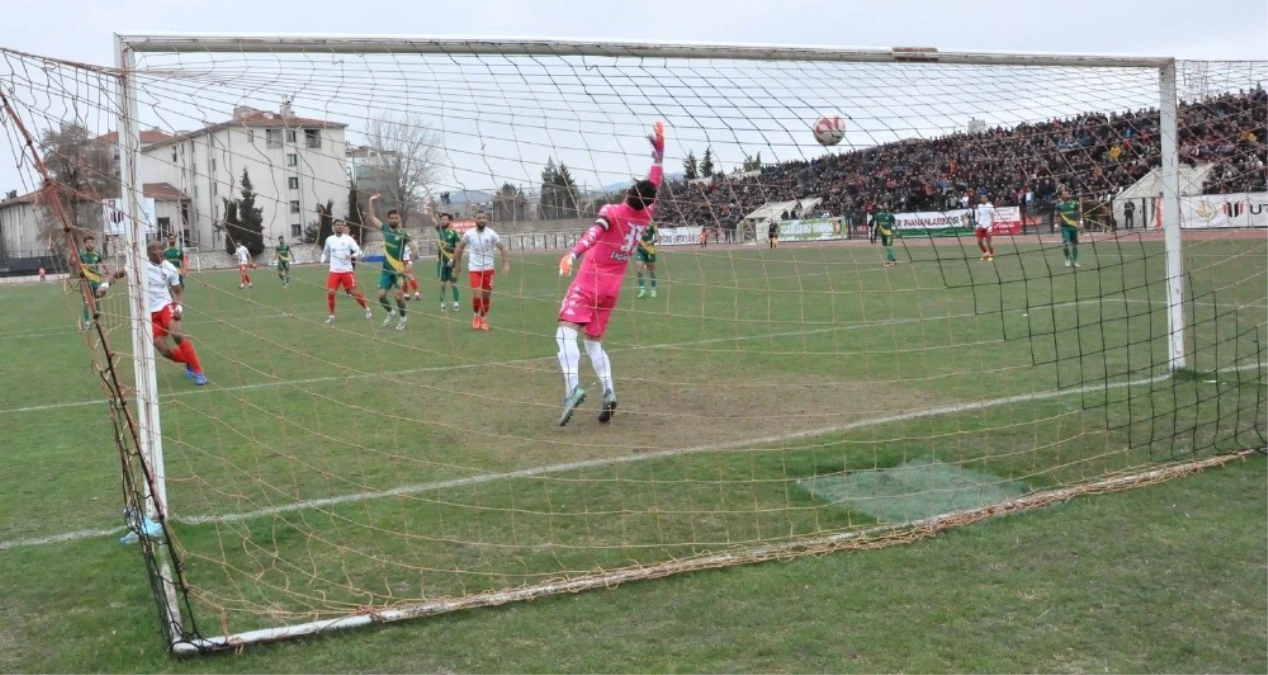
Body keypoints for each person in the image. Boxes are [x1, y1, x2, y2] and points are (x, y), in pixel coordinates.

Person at [555, 122, 665, 426]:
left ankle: (572, 389)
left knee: (564, 332)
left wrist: (571, 255)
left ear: (629, 192)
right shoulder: (645, 215)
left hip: (589, 282)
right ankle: (609, 391)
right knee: (593, 343)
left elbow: (593, 234)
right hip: (612, 290)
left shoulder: (612, 211)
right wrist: (659, 154)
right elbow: (654, 183)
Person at [143, 240, 206, 385]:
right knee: (164, 352)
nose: (159, 253)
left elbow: (178, 291)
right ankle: (189, 361)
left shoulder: (169, 268)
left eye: (161, 250)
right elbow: (117, 273)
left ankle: (199, 373)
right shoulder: (141, 266)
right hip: (149, 313)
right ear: (148, 254)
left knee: (176, 334)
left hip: (166, 306)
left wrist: (178, 308)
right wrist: (105, 284)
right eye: (155, 251)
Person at [451, 210, 510, 330]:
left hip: (488, 269)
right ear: (474, 219)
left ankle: (483, 318)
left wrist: (506, 264)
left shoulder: (491, 233)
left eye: (484, 217)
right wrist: (457, 265)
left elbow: (503, 248)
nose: (482, 220)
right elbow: (459, 248)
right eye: (479, 218)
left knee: (486, 296)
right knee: (477, 294)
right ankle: (476, 315)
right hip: (474, 269)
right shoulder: (469, 234)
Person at [367, 194, 411, 330]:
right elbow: (372, 218)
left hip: (398, 271)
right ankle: (391, 312)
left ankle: (403, 318)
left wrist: (408, 264)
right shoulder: (385, 229)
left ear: (399, 219)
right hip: (386, 270)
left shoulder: (403, 233)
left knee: (398, 297)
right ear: (388, 219)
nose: (394, 220)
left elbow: (414, 249)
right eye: (391, 218)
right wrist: (370, 201)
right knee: (381, 296)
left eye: (396, 218)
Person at [320, 219, 372, 324]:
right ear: (333, 227)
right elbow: (325, 252)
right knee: (330, 292)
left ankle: (367, 309)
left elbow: (359, 251)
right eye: (337, 225)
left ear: (343, 227)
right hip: (334, 271)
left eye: (341, 225)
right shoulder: (329, 239)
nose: (339, 227)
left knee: (354, 292)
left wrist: (352, 256)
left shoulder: (348, 239)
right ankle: (331, 316)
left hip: (346, 271)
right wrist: (321, 261)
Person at [429, 199, 462, 313]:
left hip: (451, 263)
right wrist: (430, 207)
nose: (442, 221)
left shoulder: (454, 233)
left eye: (444, 219)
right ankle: (442, 305)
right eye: (441, 219)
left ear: (449, 221)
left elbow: (458, 248)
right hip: (441, 262)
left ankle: (456, 303)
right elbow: (432, 219)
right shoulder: (440, 231)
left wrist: (453, 260)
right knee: (442, 284)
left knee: (453, 283)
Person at [1055, 188, 1083, 268]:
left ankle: (1075, 261)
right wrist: (1056, 225)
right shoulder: (1058, 205)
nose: (1064, 195)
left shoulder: (1075, 203)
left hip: (1074, 227)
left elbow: (1079, 214)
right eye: (1063, 194)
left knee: (1075, 244)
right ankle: (1067, 259)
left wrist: (1080, 223)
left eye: (1066, 194)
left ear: (1070, 194)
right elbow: (1057, 216)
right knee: (1065, 243)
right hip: (1064, 227)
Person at [635, 219, 659, 298]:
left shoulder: (652, 223)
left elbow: (657, 237)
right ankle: (642, 290)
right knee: (639, 271)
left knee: (651, 271)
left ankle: (653, 290)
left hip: (649, 251)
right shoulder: (637, 222)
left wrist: (651, 241)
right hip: (640, 250)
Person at [873, 203, 898, 268]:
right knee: (886, 247)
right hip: (882, 234)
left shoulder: (890, 215)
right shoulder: (878, 215)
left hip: (889, 234)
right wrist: (873, 231)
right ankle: (894, 260)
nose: (886, 206)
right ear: (882, 207)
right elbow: (875, 223)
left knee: (888, 247)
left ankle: (888, 263)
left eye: (887, 205)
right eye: (885, 205)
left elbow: (895, 223)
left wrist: (898, 231)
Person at [974, 194, 996, 261]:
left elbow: (992, 217)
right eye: (982, 198)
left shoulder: (990, 206)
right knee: (979, 242)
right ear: (980, 199)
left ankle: (991, 255)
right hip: (980, 225)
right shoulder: (979, 206)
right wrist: (977, 224)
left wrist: (991, 227)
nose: (983, 199)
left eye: (985, 197)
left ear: (987, 199)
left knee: (988, 241)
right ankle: (985, 253)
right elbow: (978, 215)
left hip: (988, 226)